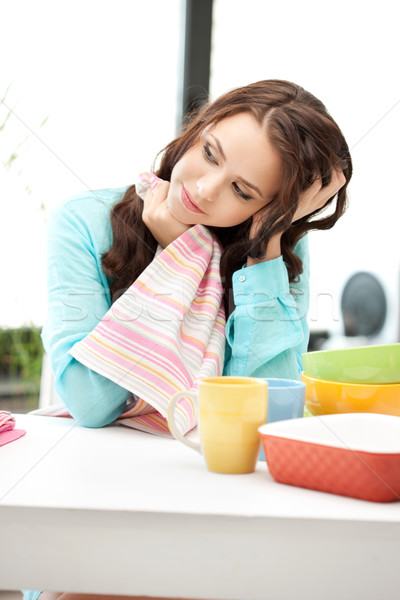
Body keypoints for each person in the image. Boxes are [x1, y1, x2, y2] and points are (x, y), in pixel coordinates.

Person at [25, 79, 351, 600]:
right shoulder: (84, 220)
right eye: (209, 153)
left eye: (242, 191)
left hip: (216, 498)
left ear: (270, 210)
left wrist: (261, 252)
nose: (203, 189)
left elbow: (265, 410)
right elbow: (91, 402)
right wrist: (176, 264)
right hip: (98, 492)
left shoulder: (275, 257)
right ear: (198, 128)